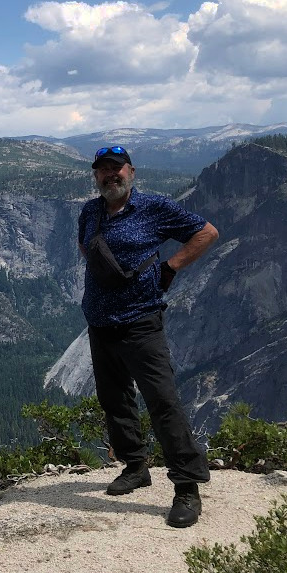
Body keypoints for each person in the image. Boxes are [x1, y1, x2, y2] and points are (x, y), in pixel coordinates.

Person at [78, 145, 219, 528]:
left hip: (141, 321)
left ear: (131, 172)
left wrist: (170, 268)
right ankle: (136, 466)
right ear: (96, 176)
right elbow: (84, 248)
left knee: (162, 400)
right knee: (114, 399)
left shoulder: (154, 208)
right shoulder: (91, 211)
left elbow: (206, 233)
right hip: (99, 321)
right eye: (103, 170)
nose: (110, 175)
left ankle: (187, 487)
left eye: (116, 168)